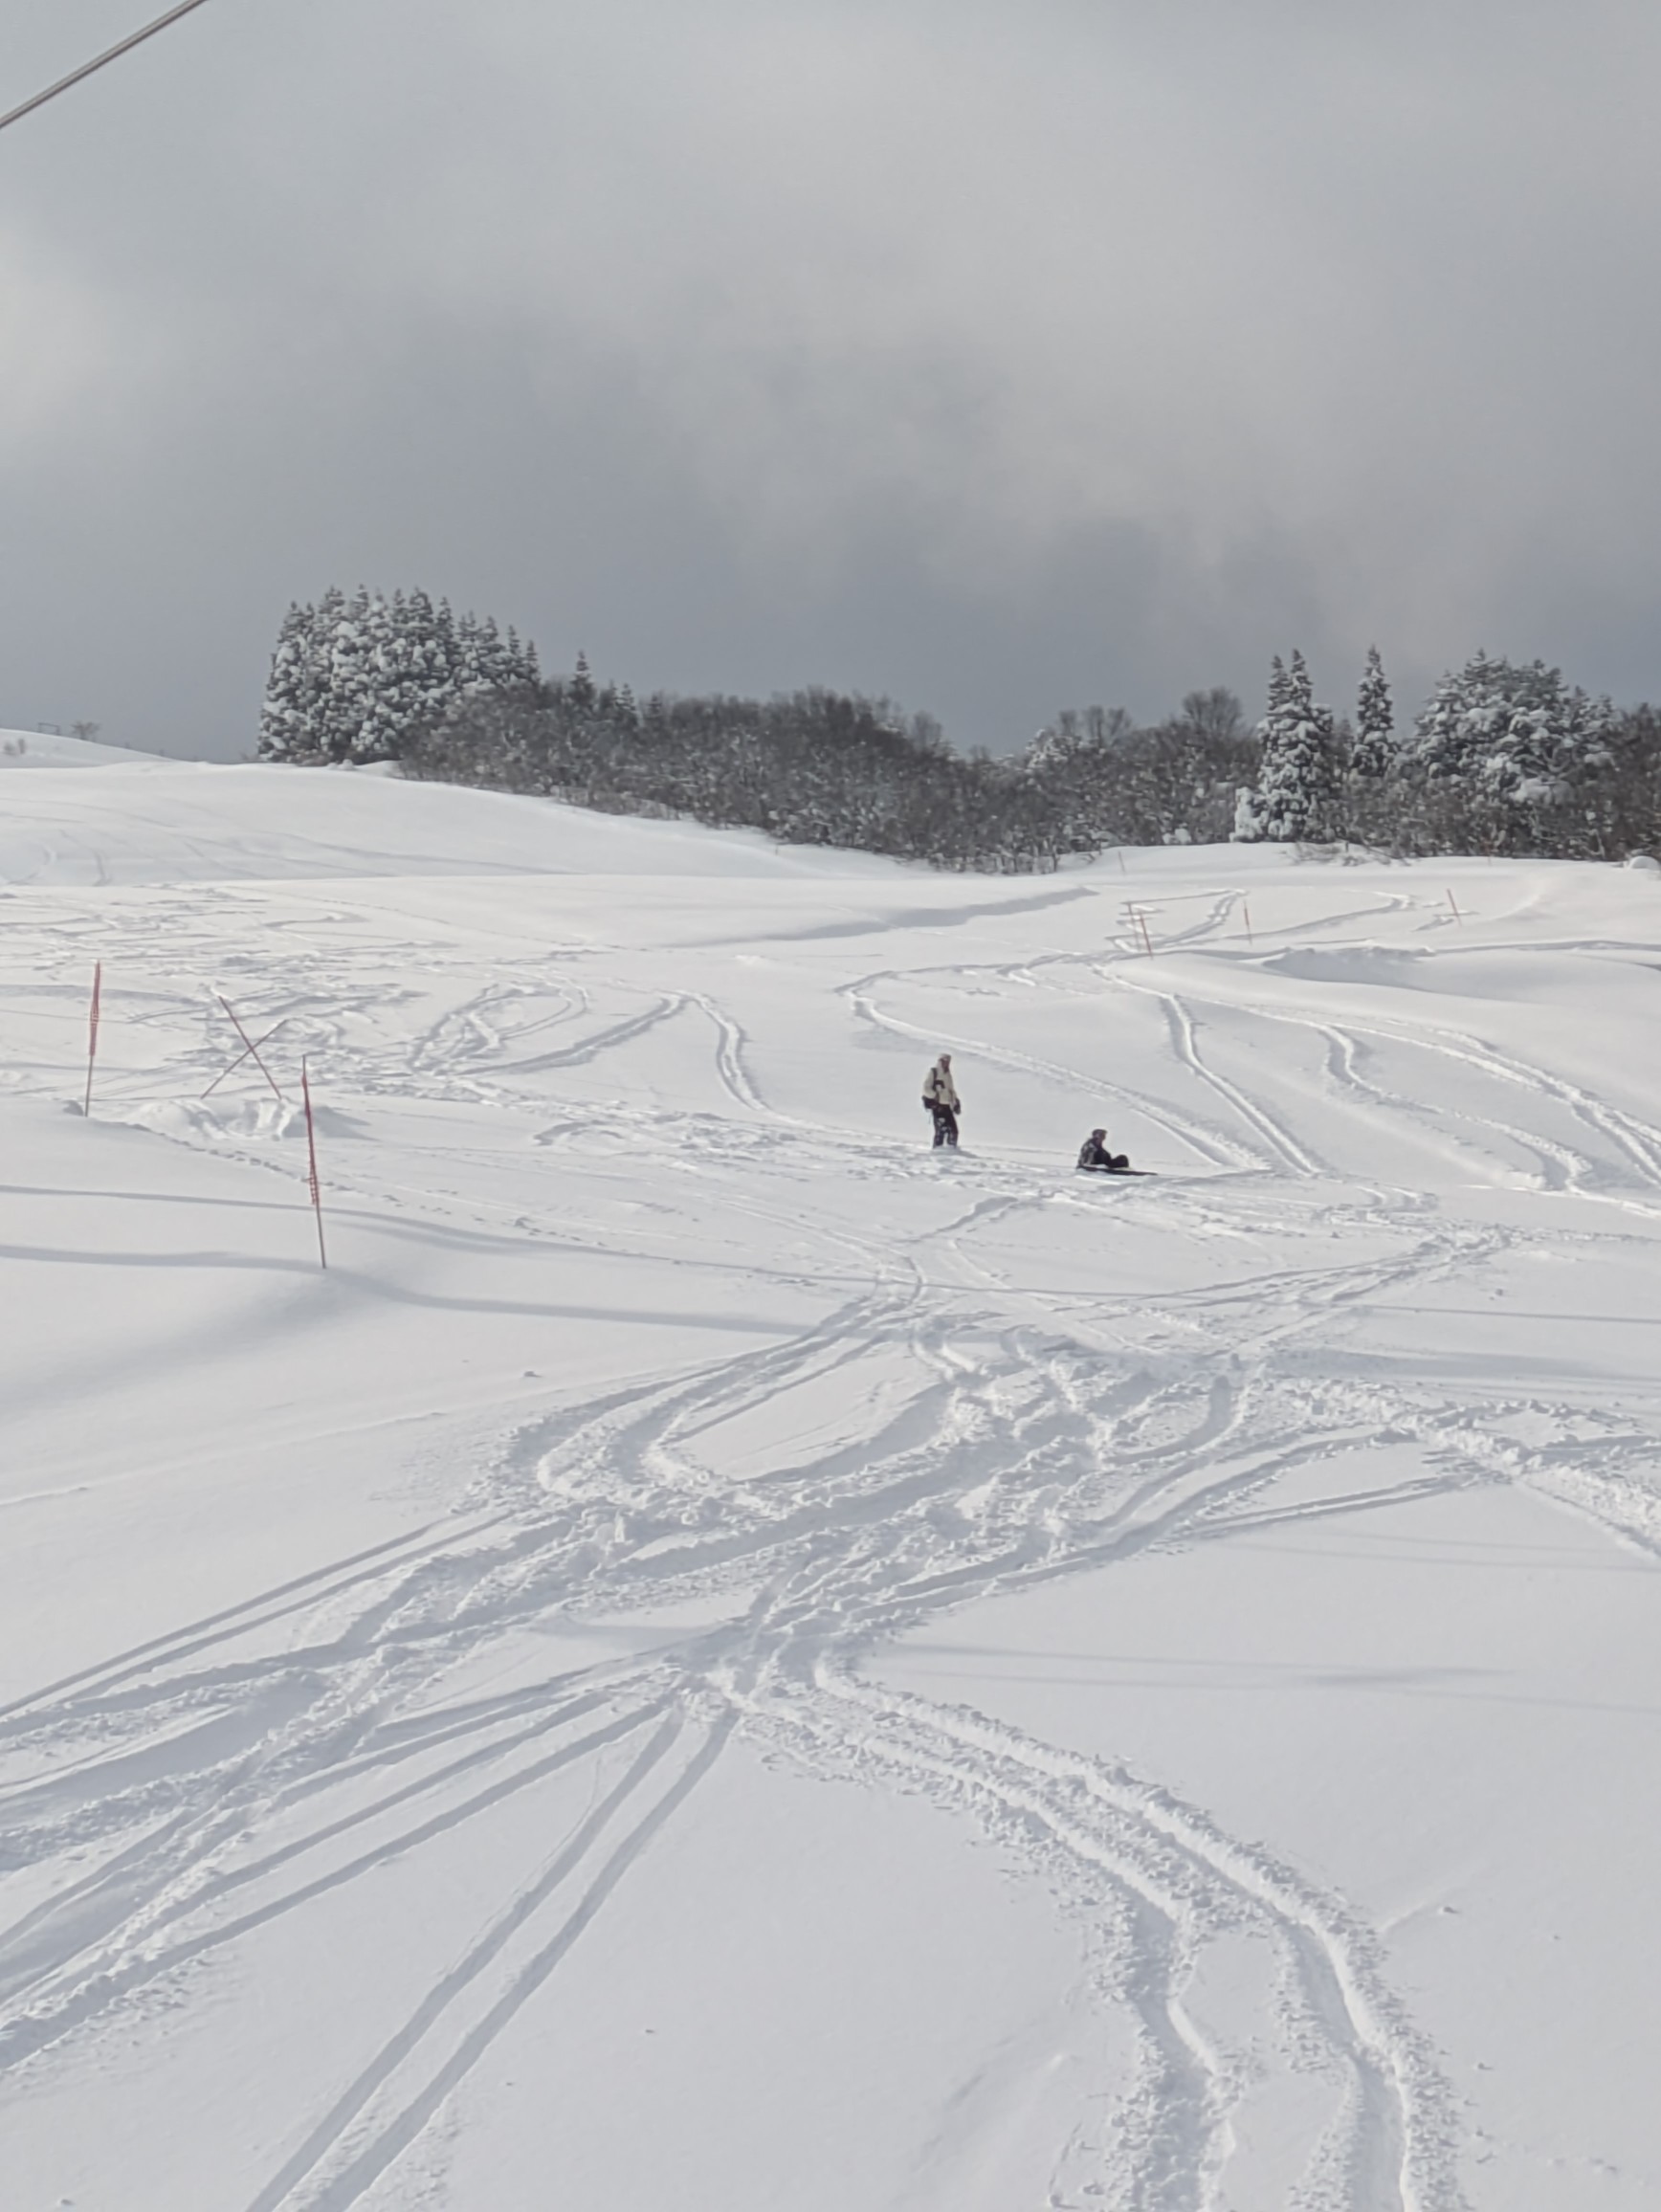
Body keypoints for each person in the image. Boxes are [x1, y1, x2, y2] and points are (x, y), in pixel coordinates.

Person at [922, 1053, 960, 1147]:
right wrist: (935, 1096)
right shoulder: (934, 1072)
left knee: (953, 1131)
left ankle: (952, 1150)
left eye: (948, 1060)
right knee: (941, 1131)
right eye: (945, 1060)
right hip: (937, 1106)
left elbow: (951, 1090)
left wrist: (955, 1102)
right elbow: (926, 1088)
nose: (947, 1062)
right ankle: (938, 1152)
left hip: (947, 1106)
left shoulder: (948, 1074)